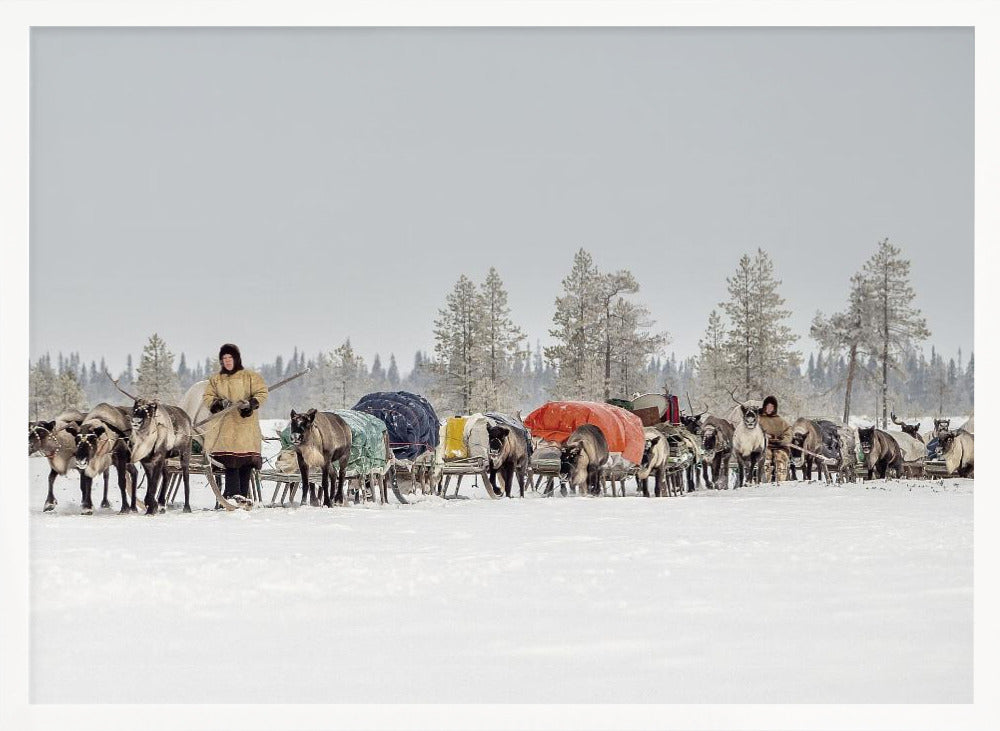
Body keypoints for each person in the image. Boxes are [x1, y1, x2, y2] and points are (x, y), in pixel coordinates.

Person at [202, 343, 268, 502]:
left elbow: (262, 392)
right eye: (224, 358)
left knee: (245, 463)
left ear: (236, 358)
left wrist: (251, 404)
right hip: (225, 429)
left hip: (246, 428)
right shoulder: (216, 379)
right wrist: (218, 403)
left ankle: (242, 497)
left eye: (230, 357)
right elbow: (207, 397)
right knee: (230, 462)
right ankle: (232, 495)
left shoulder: (250, 377)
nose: (227, 361)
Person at [758, 395, 792, 483]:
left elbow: (788, 433)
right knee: (766, 458)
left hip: (780, 446)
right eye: (767, 407)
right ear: (764, 407)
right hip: (765, 446)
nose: (769, 409)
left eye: (771, 407)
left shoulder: (781, 421)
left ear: (774, 408)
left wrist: (783, 441)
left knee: (780, 458)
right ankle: (766, 481)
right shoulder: (759, 419)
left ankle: (781, 481)